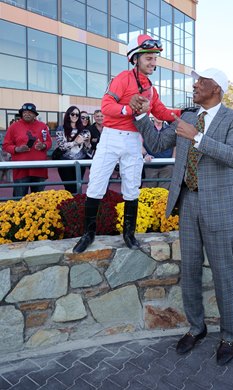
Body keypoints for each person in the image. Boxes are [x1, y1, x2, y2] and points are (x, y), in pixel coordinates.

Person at [133, 68, 233, 366]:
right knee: (190, 271)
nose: (195, 85)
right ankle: (197, 328)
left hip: (219, 205)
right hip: (188, 202)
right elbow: (158, 145)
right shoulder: (186, 116)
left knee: (223, 273)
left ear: (217, 89)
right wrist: (143, 116)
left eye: (202, 81)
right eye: (196, 81)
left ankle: (229, 336)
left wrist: (197, 138)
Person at [73, 33, 181, 253]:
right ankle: (88, 234)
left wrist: (183, 114)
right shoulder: (122, 78)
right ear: (135, 58)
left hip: (133, 140)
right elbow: (106, 106)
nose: (153, 62)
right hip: (111, 138)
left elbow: (160, 111)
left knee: (132, 188)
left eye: (154, 58)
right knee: (96, 185)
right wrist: (129, 109)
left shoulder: (151, 88)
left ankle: (129, 235)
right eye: (148, 57)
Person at [3, 103, 52, 197]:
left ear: (35, 114)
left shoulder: (43, 126)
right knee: (19, 200)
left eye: (30, 112)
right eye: (24, 112)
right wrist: (17, 149)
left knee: (39, 200)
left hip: (39, 169)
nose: (27, 114)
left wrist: (43, 146)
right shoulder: (13, 127)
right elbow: (6, 145)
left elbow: (49, 142)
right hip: (21, 170)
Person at [55, 106, 93, 194]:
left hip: (79, 163)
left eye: (77, 114)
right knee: (69, 188)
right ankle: (70, 206)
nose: (75, 116)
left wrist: (88, 143)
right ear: (68, 115)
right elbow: (62, 146)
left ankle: (76, 206)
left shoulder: (84, 130)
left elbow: (88, 150)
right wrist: (75, 142)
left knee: (78, 187)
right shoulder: (61, 129)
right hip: (65, 163)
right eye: (73, 114)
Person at [142, 117, 175, 189]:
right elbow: (139, 144)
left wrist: (172, 160)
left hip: (167, 166)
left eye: (161, 115)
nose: (159, 117)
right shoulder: (147, 129)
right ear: (153, 116)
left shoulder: (170, 129)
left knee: (164, 192)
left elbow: (175, 145)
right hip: (150, 165)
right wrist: (146, 155)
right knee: (150, 191)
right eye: (157, 115)